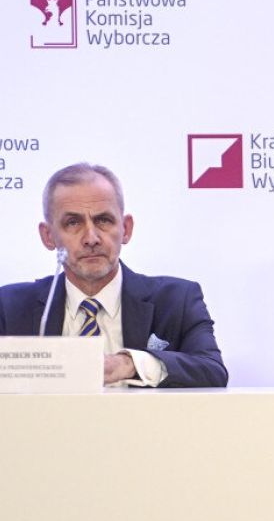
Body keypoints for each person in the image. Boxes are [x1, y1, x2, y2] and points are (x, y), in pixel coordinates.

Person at [0, 163, 228, 388]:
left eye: (103, 220)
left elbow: (212, 371)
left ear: (126, 229)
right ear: (48, 236)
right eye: (73, 223)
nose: (91, 238)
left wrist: (129, 364)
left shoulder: (176, 300)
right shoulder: (10, 306)